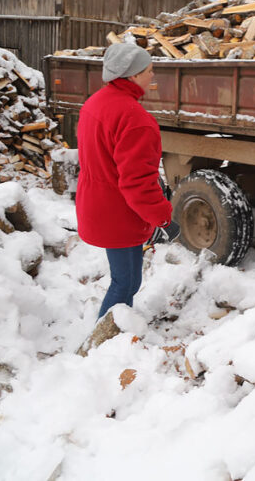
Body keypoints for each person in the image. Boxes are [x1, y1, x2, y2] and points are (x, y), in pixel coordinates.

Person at [75, 42, 174, 319]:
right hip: (118, 211)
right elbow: (137, 183)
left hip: (101, 204)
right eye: (149, 70)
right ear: (132, 75)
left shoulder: (95, 103)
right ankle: (102, 342)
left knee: (129, 280)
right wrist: (163, 218)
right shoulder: (135, 119)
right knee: (124, 283)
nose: (152, 76)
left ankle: (116, 332)